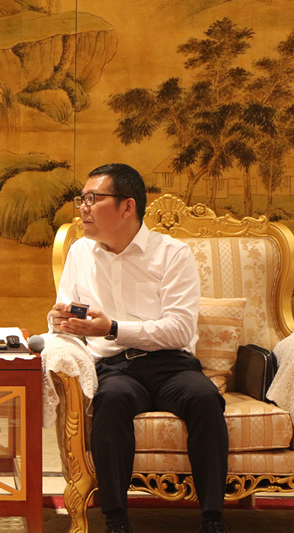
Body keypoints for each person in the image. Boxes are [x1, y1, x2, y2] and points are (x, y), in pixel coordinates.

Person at [48, 163, 229, 533]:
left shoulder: (172, 254)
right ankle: (116, 520)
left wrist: (113, 328)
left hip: (171, 365)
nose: (83, 208)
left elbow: (179, 329)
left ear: (127, 206)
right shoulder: (80, 252)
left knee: (205, 398)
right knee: (110, 400)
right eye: (82, 199)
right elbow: (68, 312)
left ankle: (212, 519)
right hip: (114, 368)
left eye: (93, 199)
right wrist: (59, 320)